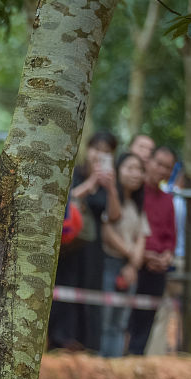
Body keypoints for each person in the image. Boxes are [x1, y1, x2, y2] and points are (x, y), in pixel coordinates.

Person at [50, 131, 119, 351]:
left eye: (106, 152)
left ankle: (89, 344)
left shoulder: (111, 181)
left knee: (91, 293)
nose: (100, 155)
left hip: (94, 246)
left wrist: (111, 188)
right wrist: (91, 182)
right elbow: (66, 200)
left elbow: (115, 215)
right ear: (87, 150)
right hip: (70, 244)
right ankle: (62, 340)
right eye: (96, 149)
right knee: (66, 290)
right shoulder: (75, 173)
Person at [127, 145, 177, 355]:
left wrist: (166, 256)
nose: (162, 171)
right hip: (135, 263)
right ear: (149, 163)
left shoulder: (167, 199)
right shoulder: (135, 194)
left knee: (147, 319)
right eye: (159, 164)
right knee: (127, 317)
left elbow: (171, 237)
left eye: (168, 167)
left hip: (158, 270)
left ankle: (137, 359)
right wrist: (143, 255)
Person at [99, 152, 148, 358]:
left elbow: (142, 237)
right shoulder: (110, 198)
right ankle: (101, 365)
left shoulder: (138, 206)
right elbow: (107, 232)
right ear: (117, 171)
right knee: (106, 320)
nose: (135, 174)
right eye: (130, 168)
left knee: (120, 322)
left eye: (139, 169)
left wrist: (133, 265)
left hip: (129, 269)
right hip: (110, 264)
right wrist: (131, 256)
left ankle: (115, 364)